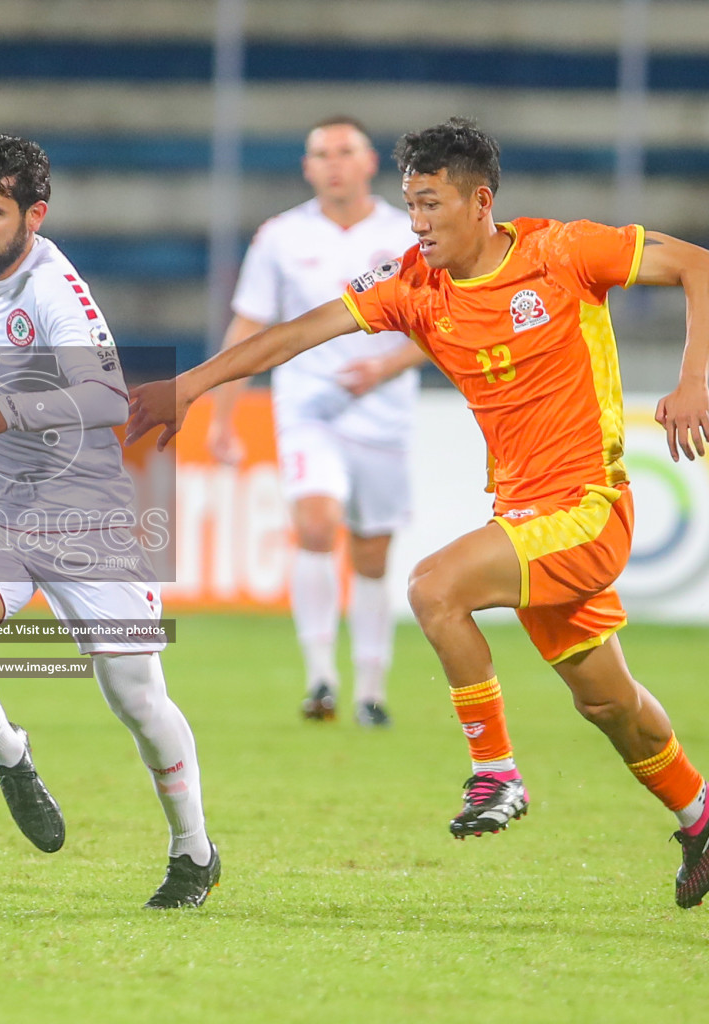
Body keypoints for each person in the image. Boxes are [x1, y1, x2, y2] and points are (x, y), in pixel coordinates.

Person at [127, 117, 709, 909]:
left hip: (588, 507)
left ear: (479, 202)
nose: (416, 224)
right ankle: (702, 808)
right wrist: (191, 385)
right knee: (607, 703)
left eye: (429, 205)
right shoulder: (414, 285)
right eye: (410, 205)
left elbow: (705, 266)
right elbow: (295, 334)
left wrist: (694, 379)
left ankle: (497, 773)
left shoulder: (562, 253)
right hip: (525, 514)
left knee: (433, 586)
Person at [0, 134, 219, 909]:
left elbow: (105, 397)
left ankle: (194, 849)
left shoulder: (55, 287)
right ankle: (11, 756)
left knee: (134, 695)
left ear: (35, 214)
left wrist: (8, 408)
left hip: (80, 513)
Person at [206, 116, 426, 726]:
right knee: (316, 520)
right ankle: (322, 677)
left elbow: (442, 325)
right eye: (320, 153)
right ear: (307, 168)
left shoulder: (409, 234)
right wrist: (223, 415)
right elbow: (249, 325)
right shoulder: (279, 236)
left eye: (344, 151)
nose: (333, 162)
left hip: (384, 416)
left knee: (374, 554)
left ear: (369, 162)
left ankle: (372, 690)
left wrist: (383, 370)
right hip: (307, 408)